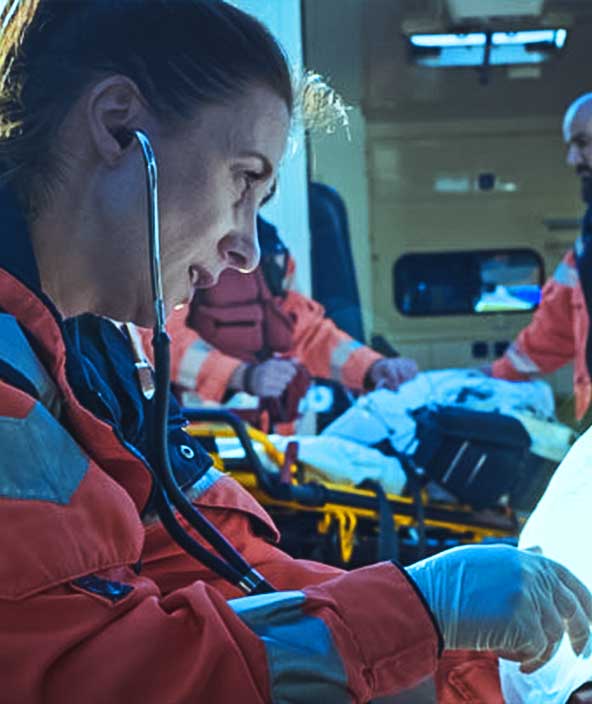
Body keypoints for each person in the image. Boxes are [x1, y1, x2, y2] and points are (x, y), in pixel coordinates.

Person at [0, 2, 590, 703]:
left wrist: (464, 656)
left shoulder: (86, 357)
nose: (246, 247)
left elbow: (217, 565)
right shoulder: (44, 378)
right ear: (118, 123)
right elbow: (89, 674)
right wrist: (420, 610)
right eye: (243, 180)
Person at [166, 215, 419, 420]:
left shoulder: (269, 245)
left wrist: (371, 367)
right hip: (195, 432)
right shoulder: (182, 244)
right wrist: (242, 375)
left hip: (265, 443)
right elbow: (163, 341)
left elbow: (305, 333)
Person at [492, 93, 592, 426]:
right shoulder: (586, 244)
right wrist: (494, 375)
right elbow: (555, 329)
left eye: (582, 143)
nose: (573, 160)